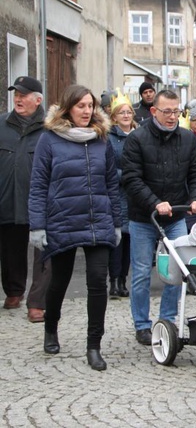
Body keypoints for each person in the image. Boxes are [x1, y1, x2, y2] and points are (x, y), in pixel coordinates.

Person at [28, 84, 121, 371]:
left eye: (90, 106)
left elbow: (112, 184)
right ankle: (50, 328)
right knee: (59, 282)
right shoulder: (49, 139)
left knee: (97, 283)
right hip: (63, 220)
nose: (87, 111)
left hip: (98, 222)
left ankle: (94, 346)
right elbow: (38, 185)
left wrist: (116, 222)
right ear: (68, 107)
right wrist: (37, 226)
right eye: (81, 106)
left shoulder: (101, 140)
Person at [121, 89, 196, 346]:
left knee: (177, 269)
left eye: (176, 111)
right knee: (140, 273)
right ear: (153, 112)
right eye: (166, 111)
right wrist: (155, 203)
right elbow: (131, 179)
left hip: (176, 216)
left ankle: (168, 319)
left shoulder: (187, 138)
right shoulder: (137, 139)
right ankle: (142, 325)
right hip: (143, 217)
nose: (172, 117)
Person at [1, 76, 51, 322]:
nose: (18, 99)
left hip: (41, 200)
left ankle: (37, 302)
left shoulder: (50, 128)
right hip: (7, 198)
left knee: (43, 249)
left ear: (38, 99)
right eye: (16, 95)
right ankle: (13, 291)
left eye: (23, 95)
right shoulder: (1, 124)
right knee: (10, 248)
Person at [107, 92, 138, 299]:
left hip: (134, 195)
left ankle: (123, 279)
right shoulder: (109, 138)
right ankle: (114, 280)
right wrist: (126, 176)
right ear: (114, 117)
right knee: (116, 240)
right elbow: (107, 166)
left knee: (129, 241)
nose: (125, 116)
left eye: (128, 112)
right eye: (121, 113)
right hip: (117, 193)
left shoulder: (138, 135)